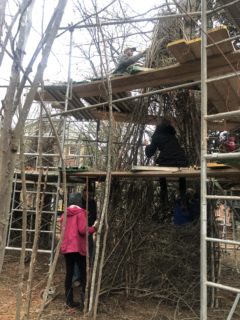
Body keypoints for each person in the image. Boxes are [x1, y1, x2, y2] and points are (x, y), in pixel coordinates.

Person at [60, 193, 97, 308]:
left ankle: (69, 301)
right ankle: (84, 301)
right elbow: (82, 230)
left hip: (67, 248)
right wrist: (94, 228)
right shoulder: (81, 213)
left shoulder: (64, 215)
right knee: (84, 273)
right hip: (78, 248)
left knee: (69, 274)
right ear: (79, 202)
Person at [144, 119, 189, 209]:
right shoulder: (172, 136)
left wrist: (147, 145)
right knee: (182, 174)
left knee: (161, 173)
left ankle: (164, 201)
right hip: (181, 160)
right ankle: (183, 200)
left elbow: (149, 154)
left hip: (167, 161)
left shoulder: (156, 136)